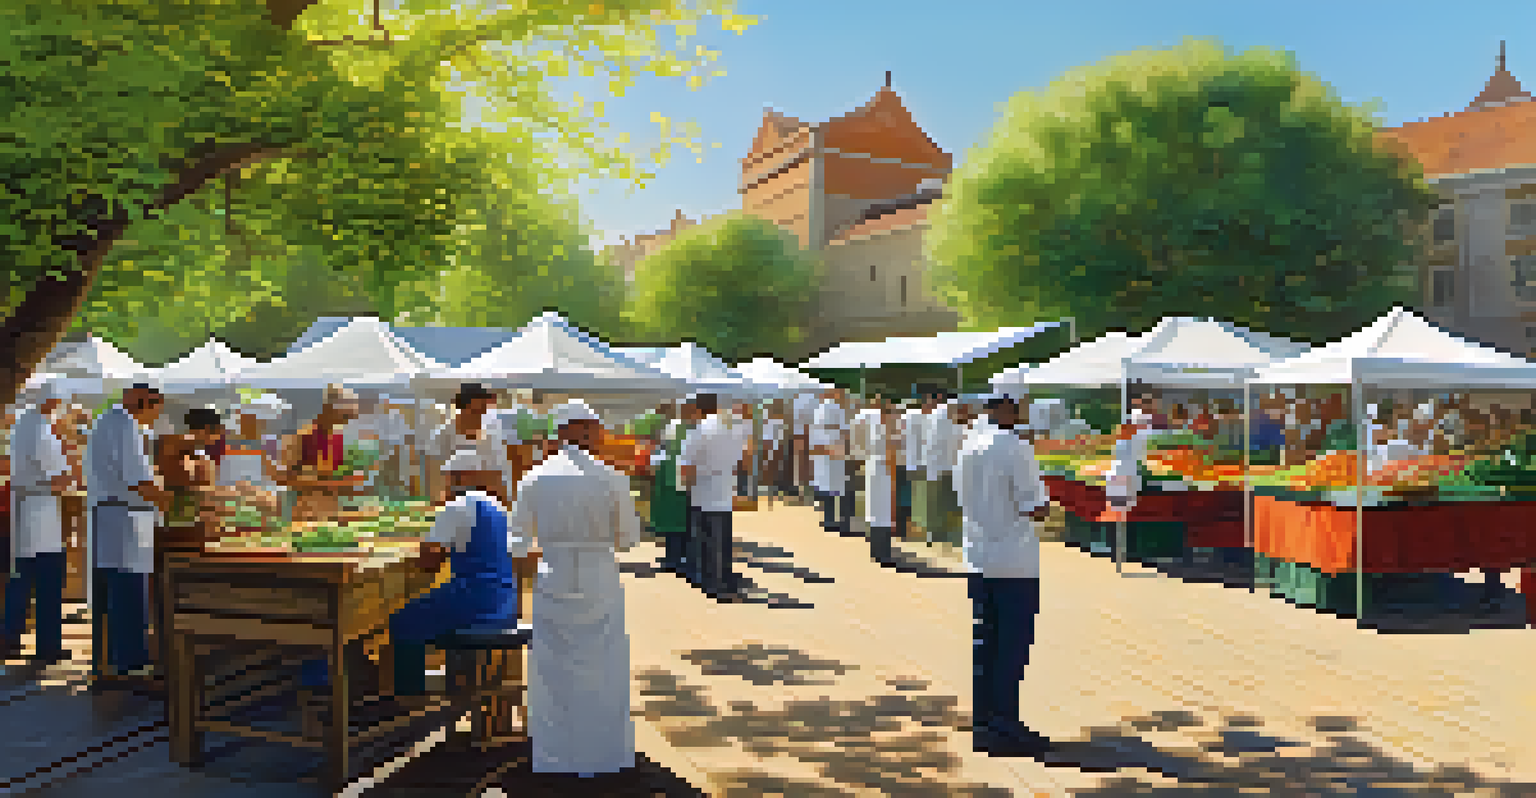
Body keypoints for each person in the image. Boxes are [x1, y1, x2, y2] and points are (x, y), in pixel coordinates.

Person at [508, 401, 642, 776]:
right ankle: (603, 757)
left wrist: (549, 545)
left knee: (553, 667)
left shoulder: (534, 477)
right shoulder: (612, 477)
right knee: (604, 665)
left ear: (560, 433)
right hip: (600, 573)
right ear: (588, 432)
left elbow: (516, 541)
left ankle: (555, 758)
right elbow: (629, 540)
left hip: (553, 572)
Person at [952, 395, 1052, 757]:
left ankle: (985, 723)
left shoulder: (969, 443)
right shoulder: (1015, 447)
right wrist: (1051, 501)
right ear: (1010, 408)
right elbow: (1034, 506)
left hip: (978, 557)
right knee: (1011, 646)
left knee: (985, 642)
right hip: (1014, 559)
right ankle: (1005, 722)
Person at [389, 446, 533, 698]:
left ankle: (407, 702)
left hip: (474, 600)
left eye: (451, 477)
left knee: (403, 621)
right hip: (504, 603)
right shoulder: (498, 508)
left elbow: (429, 561)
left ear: (460, 477)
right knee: (429, 611)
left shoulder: (456, 507)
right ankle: (454, 687)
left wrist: (425, 543)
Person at [85, 383, 171, 679]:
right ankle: (131, 662)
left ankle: (106, 659)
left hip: (109, 512)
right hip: (126, 514)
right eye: (156, 409)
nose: (155, 416)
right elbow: (138, 480)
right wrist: (171, 500)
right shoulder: (126, 425)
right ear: (146, 402)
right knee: (130, 589)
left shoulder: (107, 420)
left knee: (110, 590)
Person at [4, 383, 73, 663]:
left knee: (19, 581)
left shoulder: (22, 424)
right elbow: (60, 479)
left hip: (21, 511)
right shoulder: (45, 431)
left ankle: (8, 639)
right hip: (43, 514)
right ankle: (48, 646)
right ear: (54, 401)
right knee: (48, 584)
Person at [679, 394, 748, 600]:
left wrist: (686, 487)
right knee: (724, 540)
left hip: (703, 492)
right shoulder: (731, 431)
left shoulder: (698, 432)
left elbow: (686, 466)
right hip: (725, 490)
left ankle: (713, 584)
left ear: (697, 410)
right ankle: (726, 580)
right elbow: (741, 459)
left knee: (706, 542)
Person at [281, 385, 367, 522]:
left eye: (351, 416)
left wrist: (350, 482)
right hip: (306, 515)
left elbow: (339, 477)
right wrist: (332, 483)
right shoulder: (303, 437)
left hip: (334, 513)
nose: (348, 420)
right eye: (346, 415)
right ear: (329, 409)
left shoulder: (339, 439)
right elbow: (287, 480)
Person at [427, 383, 512, 506]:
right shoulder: (442, 437)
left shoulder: (492, 438)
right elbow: (435, 481)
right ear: (464, 408)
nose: (482, 414)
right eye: (477, 410)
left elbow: (501, 476)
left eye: (484, 409)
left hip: (487, 504)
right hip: (453, 505)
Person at [217, 394, 290, 518]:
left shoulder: (270, 443)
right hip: (238, 504)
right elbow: (223, 485)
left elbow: (278, 476)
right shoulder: (227, 446)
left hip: (262, 503)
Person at [650, 403, 690, 574]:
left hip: (670, 479)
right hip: (677, 480)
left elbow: (662, 453)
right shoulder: (685, 428)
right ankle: (676, 558)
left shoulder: (674, 427)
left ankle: (673, 558)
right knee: (679, 523)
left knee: (674, 524)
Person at [860, 399, 900, 566]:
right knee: (883, 512)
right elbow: (891, 454)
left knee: (875, 511)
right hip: (883, 470)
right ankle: (883, 552)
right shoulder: (888, 430)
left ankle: (876, 551)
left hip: (872, 468)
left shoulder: (872, 427)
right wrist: (893, 478)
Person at [810, 388, 850, 534]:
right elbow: (845, 431)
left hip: (821, 448)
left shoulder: (818, 410)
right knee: (834, 486)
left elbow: (813, 430)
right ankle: (833, 520)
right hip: (834, 448)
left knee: (826, 484)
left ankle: (828, 518)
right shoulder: (837, 409)